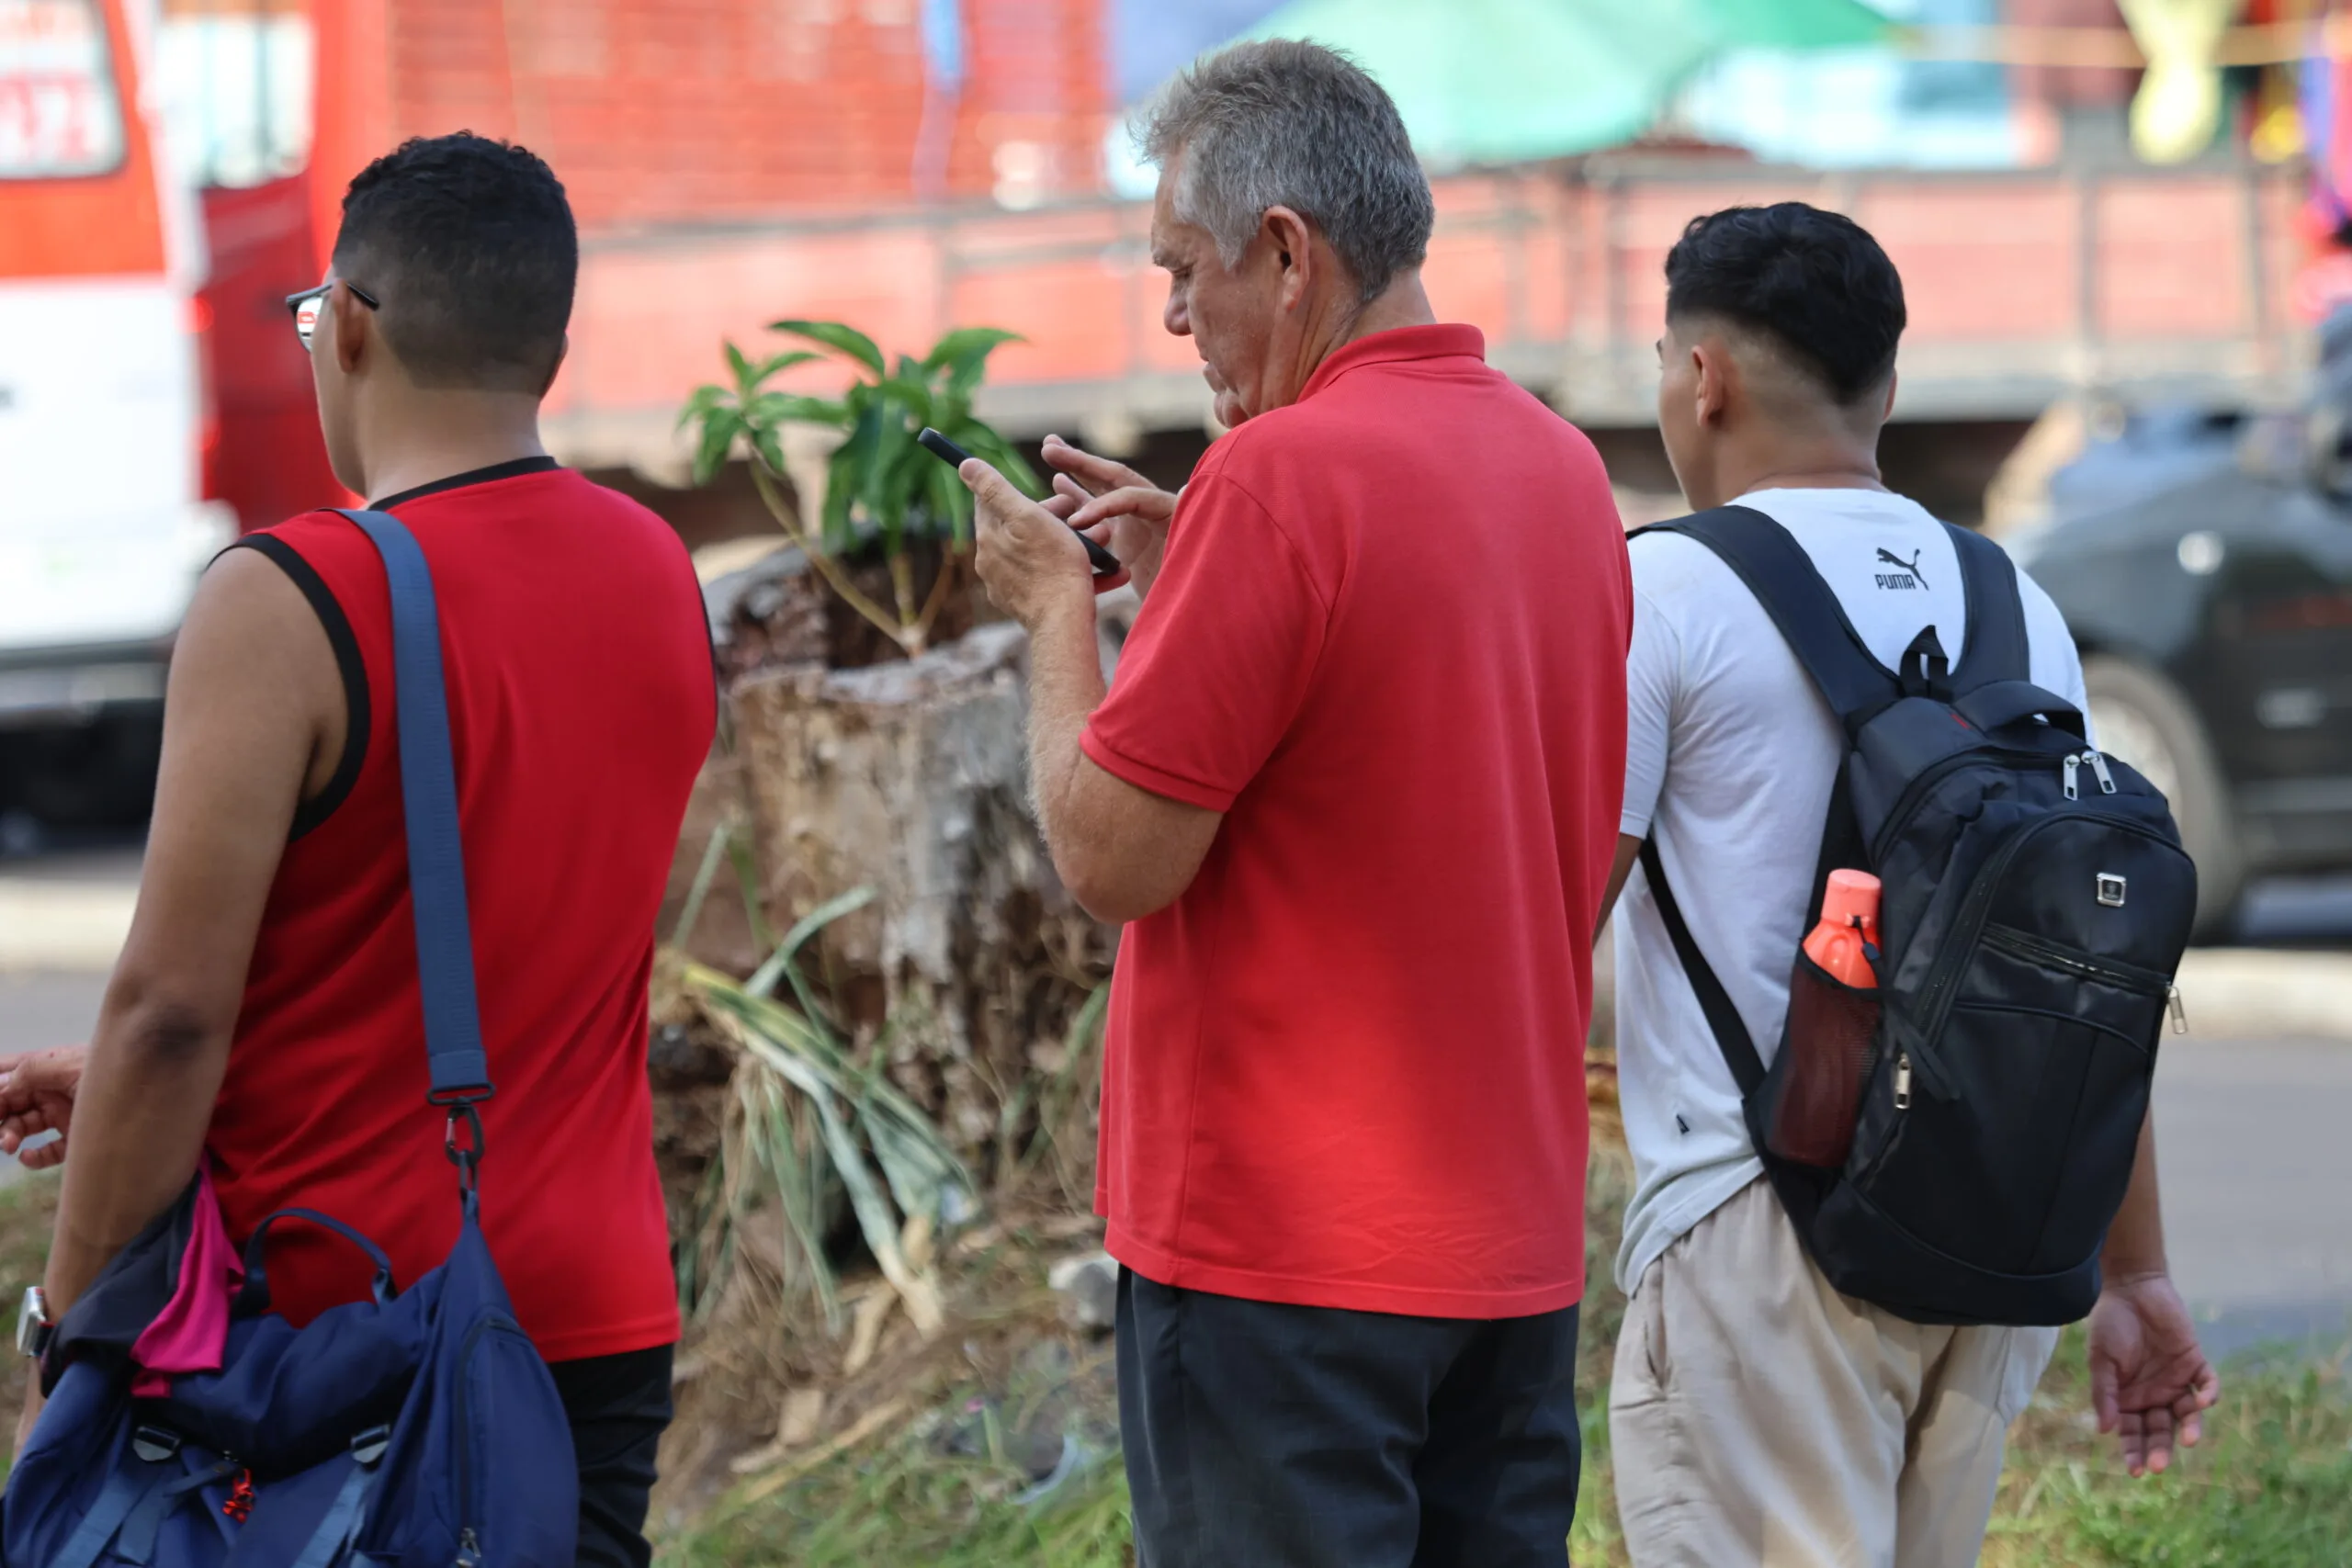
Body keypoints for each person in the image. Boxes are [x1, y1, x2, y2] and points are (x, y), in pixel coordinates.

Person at [955, 40, 1631, 1568]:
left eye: (1184, 268)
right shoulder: (1559, 470)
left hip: (1286, 1258)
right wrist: (1206, 560)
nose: (1177, 313)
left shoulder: (1279, 484)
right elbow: (1418, 715)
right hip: (1509, 1255)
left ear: (1286, 250)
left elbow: (1112, 855)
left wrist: (1058, 611)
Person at [0, 133, 713, 1567]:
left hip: (343, 1342)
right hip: (594, 1324)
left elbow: (165, 1012)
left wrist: (70, 1329)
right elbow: (510, 925)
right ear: (551, 348)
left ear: (357, 329)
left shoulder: (289, 597)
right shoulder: (657, 570)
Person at [1597, 202, 2220, 1567]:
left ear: (1703, 378)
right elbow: (2085, 969)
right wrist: (2137, 1270)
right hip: (1985, 1241)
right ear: (1885, 382)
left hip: (1758, 1230)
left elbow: (1543, 934)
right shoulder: (2016, 605)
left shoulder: (1663, 592)